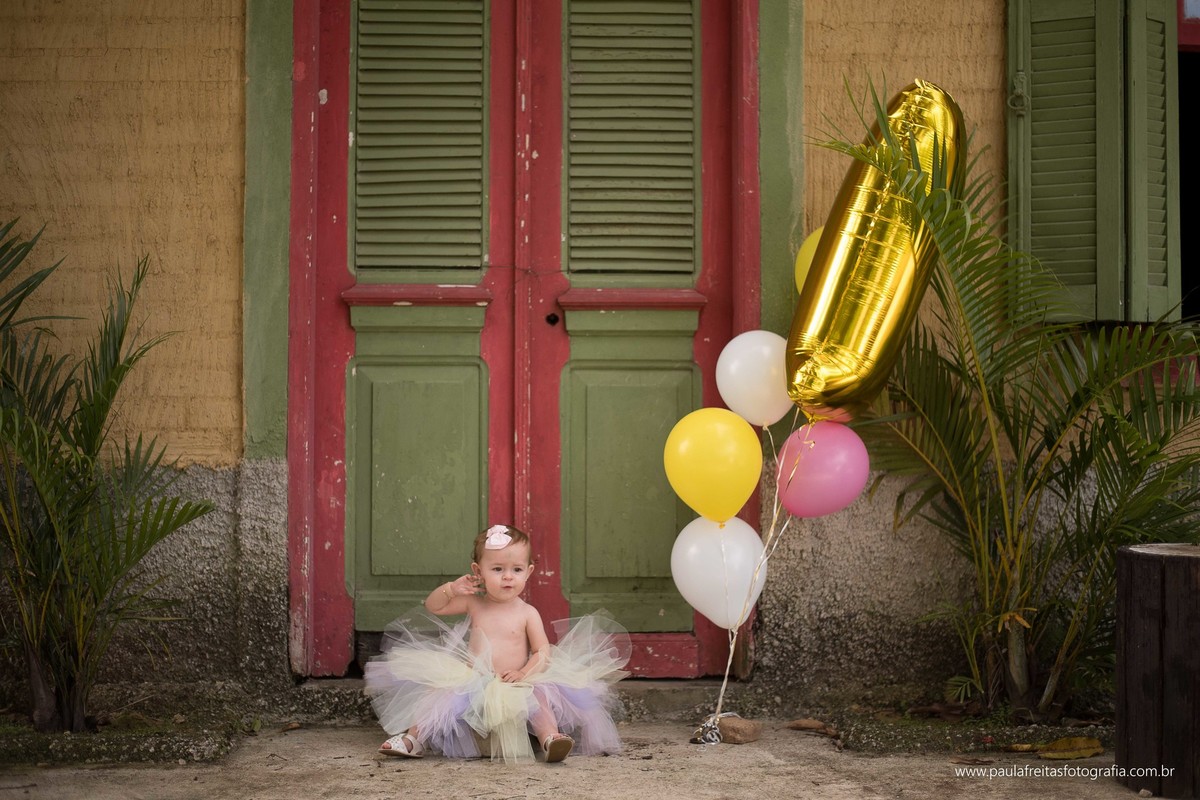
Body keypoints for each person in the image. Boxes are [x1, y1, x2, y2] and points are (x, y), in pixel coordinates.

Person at [365, 524, 630, 763]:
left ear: (529, 572)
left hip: (517, 680)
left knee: (539, 697)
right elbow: (435, 607)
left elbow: (542, 650)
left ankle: (550, 738)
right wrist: (451, 589)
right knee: (439, 694)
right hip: (473, 678)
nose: (507, 577)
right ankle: (414, 740)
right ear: (478, 572)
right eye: (497, 569)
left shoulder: (528, 612)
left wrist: (524, 674)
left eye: (516, 570)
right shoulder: (474, 602)